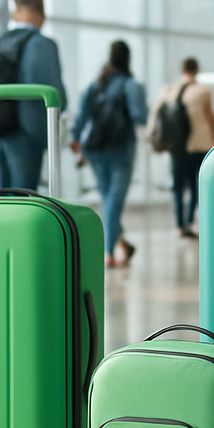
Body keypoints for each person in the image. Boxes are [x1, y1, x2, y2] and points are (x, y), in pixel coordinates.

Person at [0, 0, 66, 190]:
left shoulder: (1, 41)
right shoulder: (43, 45)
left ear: (16, 12)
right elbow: (54, 93)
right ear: (41, 14)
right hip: (25, 134)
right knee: (23, 200)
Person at [69, 40, 148, 267]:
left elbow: (82, 114)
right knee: (114, 202)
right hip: (120, 150)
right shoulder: (130, 85)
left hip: (94, 149)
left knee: (107, 199)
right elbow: (139, 117)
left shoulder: (96, 85)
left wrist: (74, 138)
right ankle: (109, 252)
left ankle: (121, 243)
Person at [146, 57, 214, 238]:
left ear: (182, 70)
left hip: (175, 146)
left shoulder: (168, 90)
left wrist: (151, 137)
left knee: (177, 186)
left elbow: (155, 114)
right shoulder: (203, 91)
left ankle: (178, 225)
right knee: (195, 186)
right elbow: (211, 118)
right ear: (196, 70)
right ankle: (188, 223)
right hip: (197, 146)